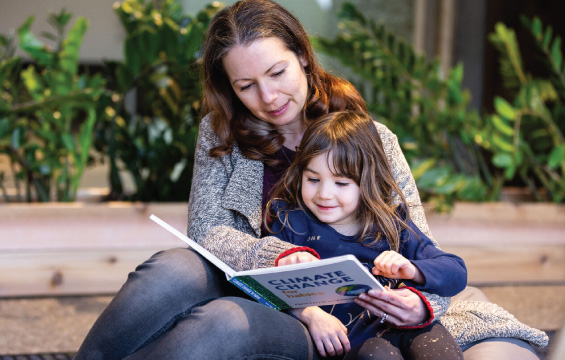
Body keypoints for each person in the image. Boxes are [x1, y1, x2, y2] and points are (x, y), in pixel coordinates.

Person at [75, 0, 545, 359]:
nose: (267, 96)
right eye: (245, 86)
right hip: (241, 276)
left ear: (302, 55)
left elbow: (416, 244)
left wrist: (419, 302)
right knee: (170, 267)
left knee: (220, 324)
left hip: (310, 314)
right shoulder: (220, 131)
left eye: (277, 72)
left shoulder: (370, 139)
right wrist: (280, 259)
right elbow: (206, 233)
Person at [265, 110, 466, 359]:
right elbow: (266, 289)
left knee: (437, 346)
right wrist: (309, 313)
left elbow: (456, 272)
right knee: (378, 353)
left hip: (403, 325)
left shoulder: (391, 222)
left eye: (341, 183)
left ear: (368, 180)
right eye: (313, 179)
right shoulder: (293, 222)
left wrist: (412, 269)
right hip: (354, 344)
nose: (324, 194)